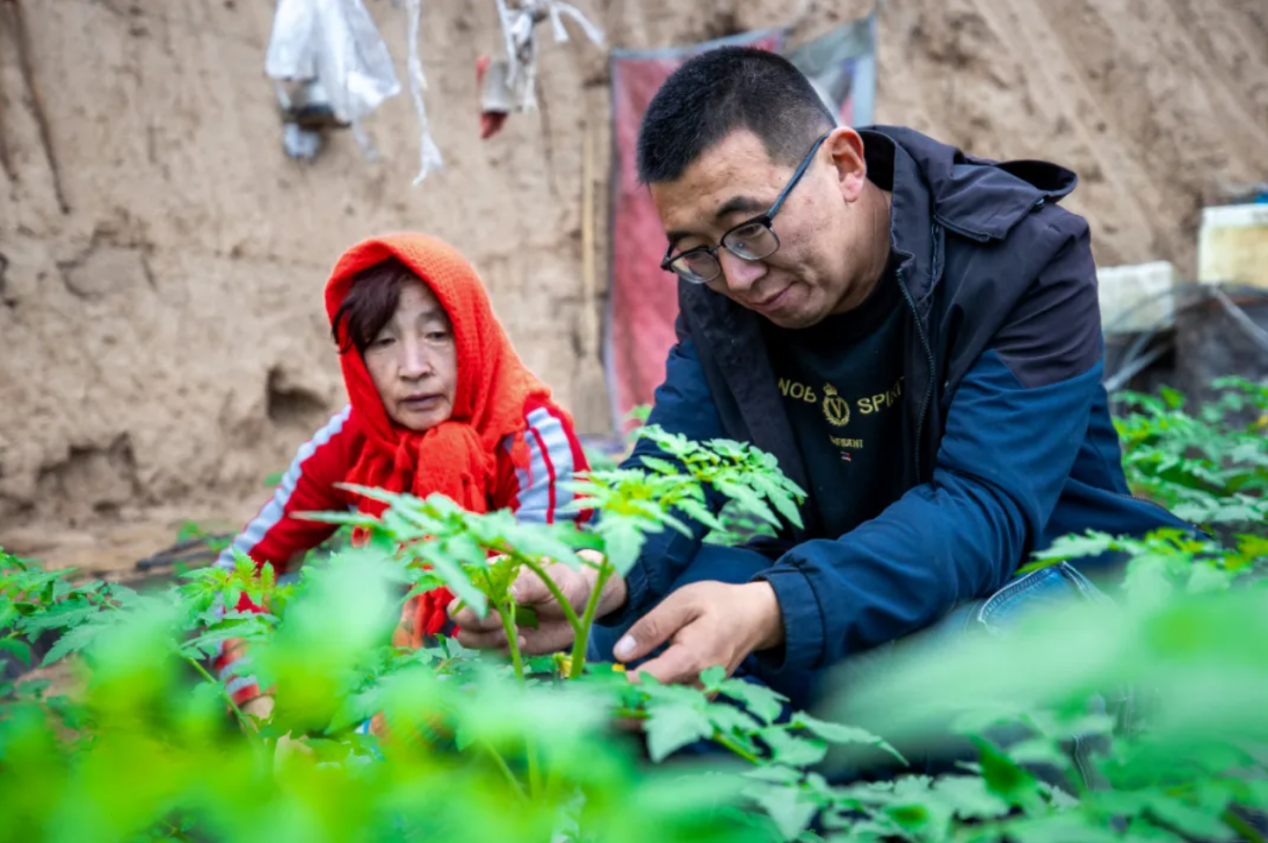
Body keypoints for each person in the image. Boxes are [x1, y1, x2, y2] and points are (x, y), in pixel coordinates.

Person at [452, 47, 1189, 702]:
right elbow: (674, 468)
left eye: (750, 227)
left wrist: (774, 608)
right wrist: (594, 574)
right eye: (697, 250)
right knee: (646, 622)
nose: (736, 276)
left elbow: (981, 509)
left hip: (1037, 582)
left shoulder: (1018, 256)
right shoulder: (720, 286)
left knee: (967, 675)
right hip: (866, 585)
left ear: (843, 164)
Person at [211, 233, 589, 718]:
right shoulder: (352, 440)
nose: (413, 368)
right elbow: (238, 573)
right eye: (383, 342)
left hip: (510, 697)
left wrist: (369, 746)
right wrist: (261, 707)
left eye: (437, 335)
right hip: (383, 684)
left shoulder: (529, 440)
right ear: (357, 359)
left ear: (473, 333)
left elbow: (538, 610)